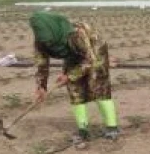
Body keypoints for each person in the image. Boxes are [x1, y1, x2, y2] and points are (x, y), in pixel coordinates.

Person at [30, 11, 119, 143]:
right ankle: (83, 131)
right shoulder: (41, 41)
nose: (48, 45)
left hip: (94, 50)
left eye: (51, 42)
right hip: (72, 54)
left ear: (54, 31)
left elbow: (89, 60)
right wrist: (41, 86)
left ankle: (112, 128)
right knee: (75, 89)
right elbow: (41, 63)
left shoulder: (76, 34)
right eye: (46, 42)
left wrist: (69, 76)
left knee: (98, 85)